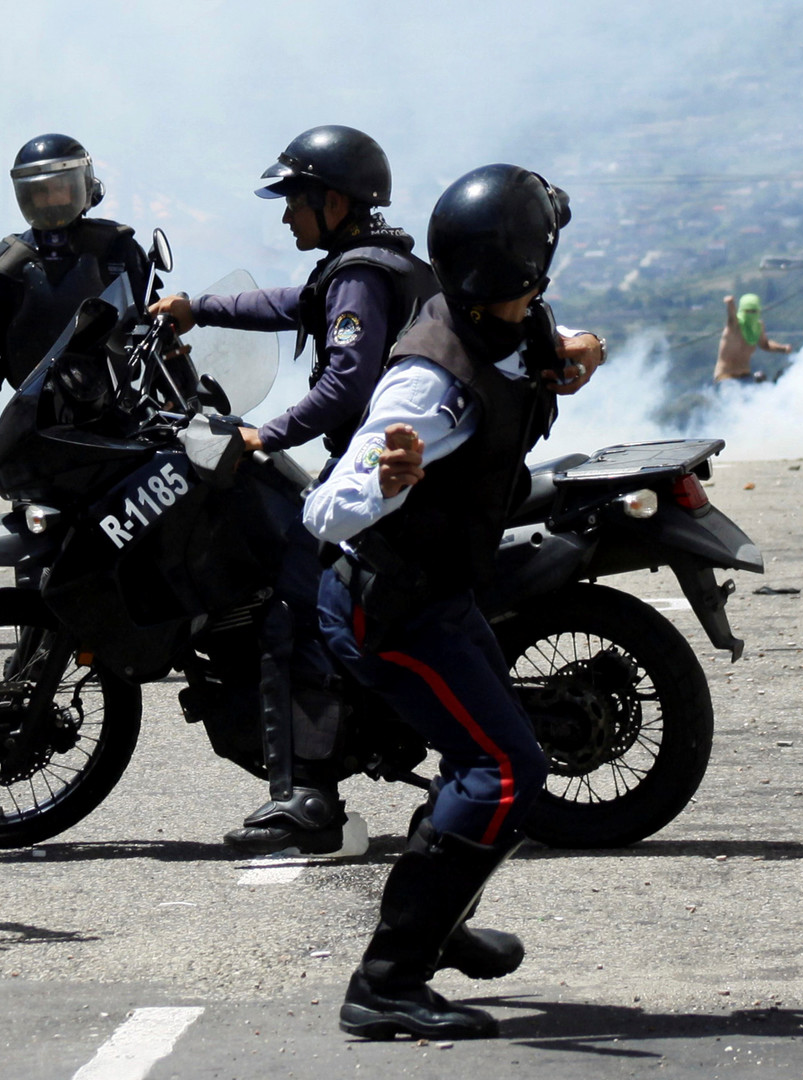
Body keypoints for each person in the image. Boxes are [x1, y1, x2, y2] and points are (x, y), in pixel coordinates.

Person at [304, 163, 604, 1039]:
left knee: (494, 752)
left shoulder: (499, 319)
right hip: (387, 608)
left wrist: (587, 351)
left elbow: (549, 349)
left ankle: (438, 921)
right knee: (505, 770)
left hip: (438, 593)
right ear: (521, 269)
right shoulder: (428, 388)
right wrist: (386, 481)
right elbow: (328, 510)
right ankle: (387, 981)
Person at [149, 125, 439, 856]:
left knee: (292, 607)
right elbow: (287, 305)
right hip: (399, 472)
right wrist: (199, 308)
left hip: (386, 481)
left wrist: (263, 435)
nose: (286, 216)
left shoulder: (361, 276)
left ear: (334, 200)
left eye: (296, 200)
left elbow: (346, 383)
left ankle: (308, 795)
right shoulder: (366, 266)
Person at [0, 135, 150, 492]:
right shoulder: (6, 268)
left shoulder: (117, 249)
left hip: (115, 415)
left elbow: (147, 332)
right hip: (36, 425)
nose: (49, 201)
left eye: (58, 189)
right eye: (39, 192)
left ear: (83, 186)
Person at [713, 292, 791, 382]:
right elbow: (732, 317)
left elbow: (765, 344)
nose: (751, 314)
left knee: (767, 381)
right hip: (725, 377)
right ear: (742, 310)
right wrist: (730, 304)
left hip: (745, 377)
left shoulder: (758, 327)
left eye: (754, 311)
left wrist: (783, 348)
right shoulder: (735, 326)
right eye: (747, 311)